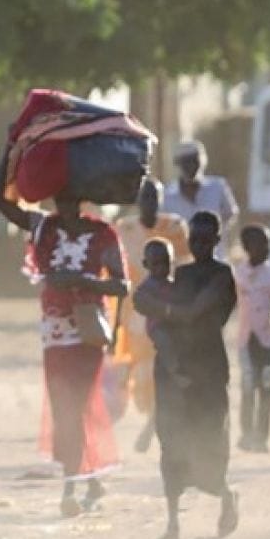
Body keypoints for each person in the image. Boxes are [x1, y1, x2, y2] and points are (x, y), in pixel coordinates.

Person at [0, 151, 128, 517]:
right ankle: (90, 477)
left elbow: (122, 286)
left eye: (69, 193)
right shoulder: (43, 227)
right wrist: (11, 149)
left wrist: (82, 281)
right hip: (54, 331)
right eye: (57, 193)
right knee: (65, 404)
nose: (62, 200)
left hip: (87, 329)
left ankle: (70, 487)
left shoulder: (102, 233)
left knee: (75, 405)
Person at [135, 211, 240, 539]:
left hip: (208, 369)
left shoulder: (222, 275)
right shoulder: (180, 274)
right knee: (172, 444)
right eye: (194, 239)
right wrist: (164, 313)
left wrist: (164, 312)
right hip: (174, 371)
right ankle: (173, 523)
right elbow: (140, 299)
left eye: (206, 240)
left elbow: (194, 310)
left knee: (210, 440)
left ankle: (225, 495)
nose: (199, 245)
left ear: (217, 240)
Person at [113, 178, 189, 452]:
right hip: (135, 314)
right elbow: (114, 272)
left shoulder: (174, 227)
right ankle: (154, 422)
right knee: (143, 379)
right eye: (145, 197)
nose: (150, 203)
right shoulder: (125, 229)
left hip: (167, 310)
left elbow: (185, 269)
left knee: (166, 371)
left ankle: (153, 428)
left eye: (154, 197)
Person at [233, 224, 270, 452]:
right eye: (262, 244)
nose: (268, 248)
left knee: (266, 389)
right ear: (248, 247)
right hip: (245, 341)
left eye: (269, 243)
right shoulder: (238, 274)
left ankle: (262, 437)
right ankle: (246, 435)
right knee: (248, 388)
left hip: (268, 340)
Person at [162, 141, 239, 258]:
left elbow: (230, 215)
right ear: (178, 164)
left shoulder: (218, 187)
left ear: (203, 162)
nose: (191, 166)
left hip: (215, 258)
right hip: (182, 261)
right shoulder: (167, 195)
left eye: (194, 161)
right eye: (186, 162)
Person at [133, 240, 190, 389]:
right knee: (164, 342)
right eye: (156, 264)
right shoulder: (148, 286)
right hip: (157, 326)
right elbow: (139, 300)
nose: (161, 268)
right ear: (146, 264)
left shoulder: (173, 283)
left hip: (173, 326)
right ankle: (176, 372)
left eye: (166, 263)